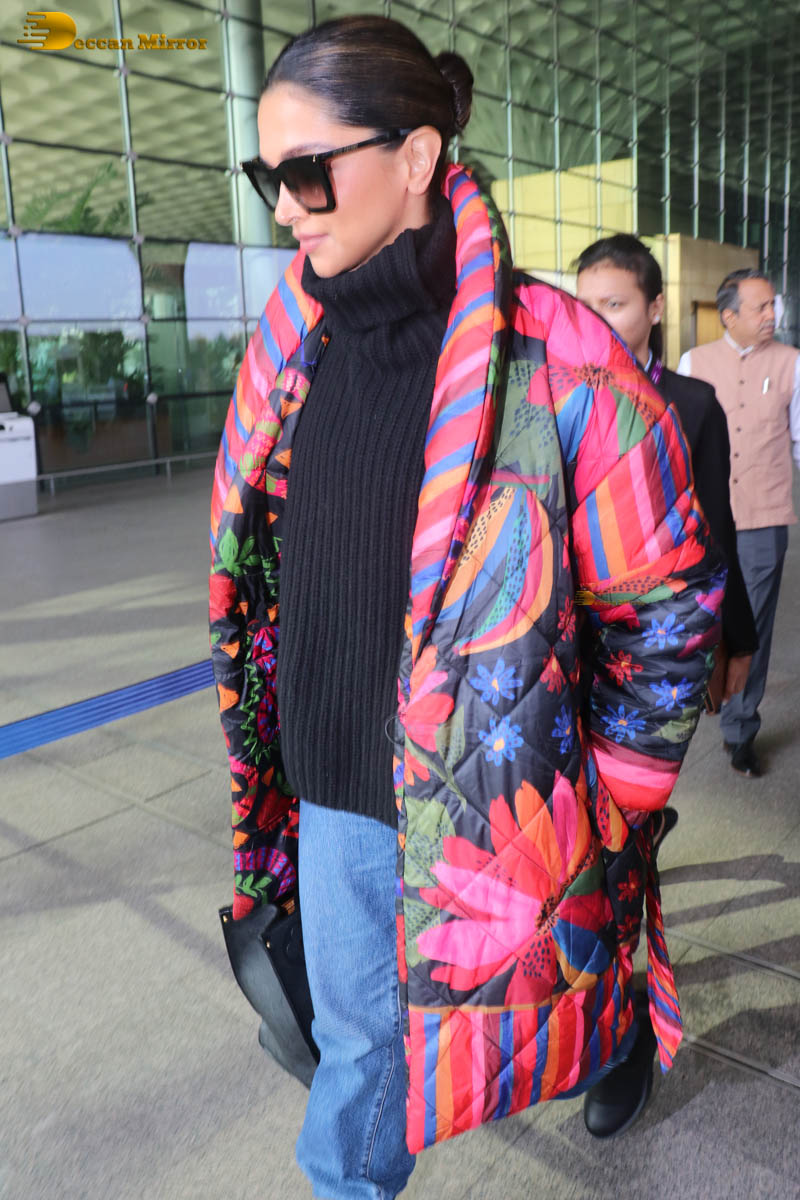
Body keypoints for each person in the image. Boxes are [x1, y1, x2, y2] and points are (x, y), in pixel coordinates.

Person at [209, 17, 721, 1197]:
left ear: (416, 156)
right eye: (264, 174)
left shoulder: (559, 354)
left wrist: (606, 801)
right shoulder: (287, 351)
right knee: (358, 1043)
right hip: (332, 783)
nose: (283, 207)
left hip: (498, 798)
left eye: (306, 172)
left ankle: (612, 1030)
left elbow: (667, 605)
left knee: (520, 1004)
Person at [575, 236, 758, 787]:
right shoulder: (559, 395)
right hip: (573, 619)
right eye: (584, 306)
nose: (596, 320)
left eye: (614, 304)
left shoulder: (692, 403)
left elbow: (716, 526)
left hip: (659, 629)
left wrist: (738, 636)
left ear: (655, 308)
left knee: (639, 774)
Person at [677, 269, 800, 777]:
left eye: (773, 306)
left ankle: (741, 728)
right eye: (760, 307)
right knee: (699, 616)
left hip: (765, 515)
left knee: (756, 626)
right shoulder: (694, 362)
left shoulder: (792, 363)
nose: (772, 315)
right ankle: (691, 705)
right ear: (728, 315)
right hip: (704, 518)